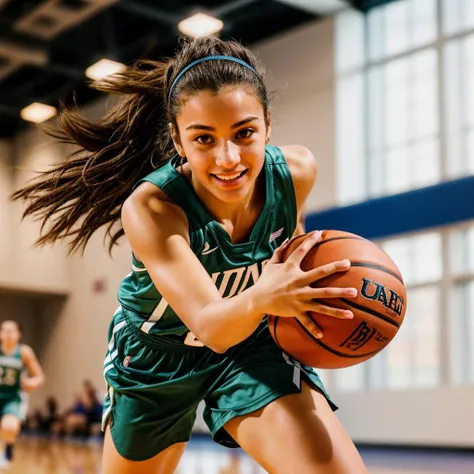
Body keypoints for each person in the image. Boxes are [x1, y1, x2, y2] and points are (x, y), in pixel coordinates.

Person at [12, 36, 368, 473]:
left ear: (268, 125)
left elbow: (293, 256)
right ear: (178, 141)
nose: (228, 158)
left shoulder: (295, 173)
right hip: (156, 356)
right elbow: (212, 324)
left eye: (244, 133)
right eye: (204, 139)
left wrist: (323, 315)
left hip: (252, 343)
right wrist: (263, 296)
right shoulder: (152, 208)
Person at [0, 320, 45, 469]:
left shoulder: (24, 352)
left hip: (12, 396)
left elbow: (39, 376)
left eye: (11, 330)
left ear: (19, 334)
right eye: (4, 330)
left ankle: (8, 447)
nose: (8, 334)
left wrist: (33, 382)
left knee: (10, 426)